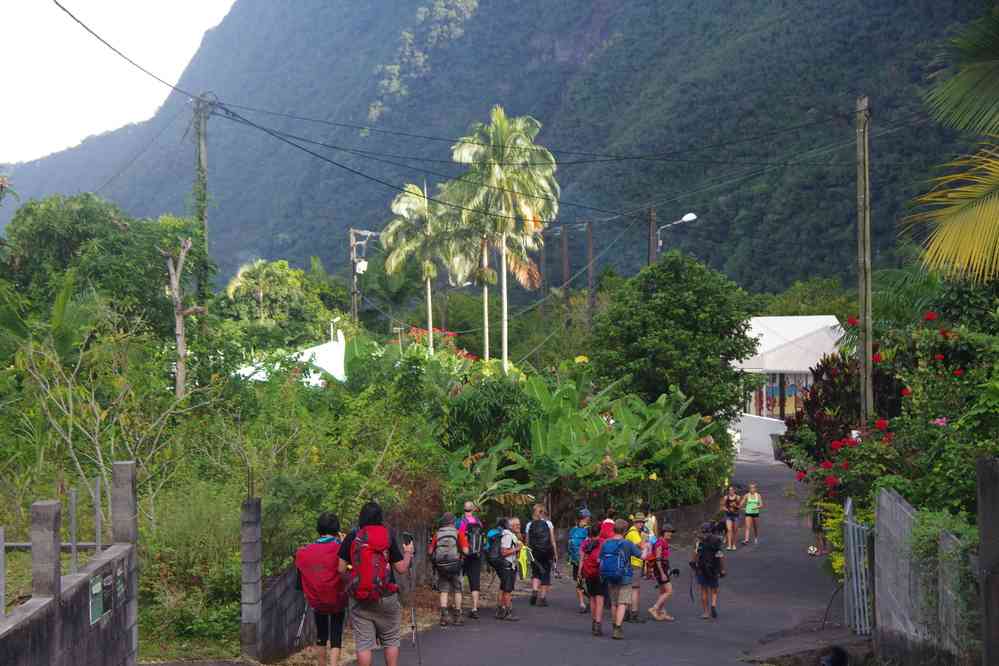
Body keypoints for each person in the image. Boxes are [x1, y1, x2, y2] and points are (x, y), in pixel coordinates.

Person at [337, 501, 414, 666]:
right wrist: (408, 553)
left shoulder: (353, 536)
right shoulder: (388, 535)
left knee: (364, 643)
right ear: (380, 517)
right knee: (391, 639)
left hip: (360, 598)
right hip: (387, 595)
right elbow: (401, 568)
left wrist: (356, 571)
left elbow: (341, 569)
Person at [296, 512, 347, 666]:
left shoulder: (305, 551)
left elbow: (300, 576)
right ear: (337, 529)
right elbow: (347, 567)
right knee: (336, 634)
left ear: (318, 529)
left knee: (321, 635)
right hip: (337, 598)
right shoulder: (340, 547)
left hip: (317, 600)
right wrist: (344, 543)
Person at [599, 519, 644, 640]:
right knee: (622, 602)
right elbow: (642, 556)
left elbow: (600, 559)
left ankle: (614, 625)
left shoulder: (606, 543)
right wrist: (647, 548)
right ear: (625, 531)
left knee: (614, 603)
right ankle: (618, 628)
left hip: (610, 575)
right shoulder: (627, 543)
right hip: (625, 576)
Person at [429, 512, 469, 626]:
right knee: (457, 590)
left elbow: (430, 551)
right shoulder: (458, 533)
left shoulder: (437, 534)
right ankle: (457, 616)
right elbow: (466, 551)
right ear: (453, 522)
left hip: (441, 567)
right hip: (455, 565)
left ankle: (444, 617)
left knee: (444, 591)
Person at [690, 522, 726, 620]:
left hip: (701, 568)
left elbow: (695, 554)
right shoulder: (716, 540)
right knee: (714, 589)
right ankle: (713, 604)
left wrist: (693, 564)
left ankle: (706, 613)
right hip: (714, 568)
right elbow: (720, 555)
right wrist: (722, 569)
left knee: (704, 590)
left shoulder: (699, 541)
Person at [525, 504, 557, 607]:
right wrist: (555, 553)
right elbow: (552, 540)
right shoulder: (548, 523)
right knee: (545, 573)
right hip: (546, 553)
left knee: (535, 573)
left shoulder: (529, 524)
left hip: (534, 552)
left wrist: (527, 553)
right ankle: (542, 598)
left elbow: (527, 541)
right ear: (544, 512)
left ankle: (535, 590)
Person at [457, 501, 484, 619]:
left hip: (463, 554)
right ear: (473, 509)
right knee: (475, 582)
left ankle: (459, 609)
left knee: (459, 580)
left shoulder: (460, 522)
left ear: (464, 509)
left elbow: (458, 537)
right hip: (476, 555)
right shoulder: (478, 522)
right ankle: (474, 609)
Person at [579, 523, 606, 636]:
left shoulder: (585, 543)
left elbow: (581, 559)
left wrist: (579, 574)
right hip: (600, 574)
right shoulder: (603, 543)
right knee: (600, 599)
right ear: (600, 532)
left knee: (592, 598)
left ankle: (594, 622)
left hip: (588, 573)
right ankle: (598, 624)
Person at [648, 524, 675, 622]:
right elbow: (658, 559)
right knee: (669, 591)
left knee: (663, 592)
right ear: (664, 533)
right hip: (660, 569)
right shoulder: (660, 542)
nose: (671, 534)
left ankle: (662, 612)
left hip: (662, 568)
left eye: (671, 532)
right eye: (669, 532)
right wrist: (662, 573)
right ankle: (654, 608)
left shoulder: (663, 542)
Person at [624, 513, 648, 623]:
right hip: (634, 563)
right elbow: (642, 546)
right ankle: (634, 613)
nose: (641, 524)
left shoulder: (631, 532)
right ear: (635, 522)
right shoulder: (634, 533)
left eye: (642, 522)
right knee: (635, 589)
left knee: (629, 588)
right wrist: (645, 539)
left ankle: (627, 613)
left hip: (630, 563)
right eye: (640, 522)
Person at [568, 509, 592, 613]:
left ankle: (582, 603)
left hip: (576, 561)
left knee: (579, 582)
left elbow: (569, 546)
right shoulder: (588, 530)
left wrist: (570, 558)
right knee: (588, 582)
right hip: (585, 561)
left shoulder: (573, 530)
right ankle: (590, 600)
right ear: (586, 518)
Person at [499, 517, 523, 621]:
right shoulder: (507, 536)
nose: (518, 526)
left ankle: (501, 611)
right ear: (510, 526)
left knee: (504, 589)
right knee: (507, 590)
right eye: (516, 525)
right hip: (507, 565)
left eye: (519, 524)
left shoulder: (511, 535)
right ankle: (508, 612)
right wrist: (517, 548)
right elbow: (503, 552)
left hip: (509, 565)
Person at [721, 485, 741, 551]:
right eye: (729, 490)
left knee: (735, 530)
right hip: (728, 515)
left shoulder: (738, 497)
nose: (731, 491)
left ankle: (734, 544)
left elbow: (739, 507)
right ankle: (729, 545)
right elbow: (723, 506)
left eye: (732, 490)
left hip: (736, 515)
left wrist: (735, 506)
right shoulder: (726, 497)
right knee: (729, 530)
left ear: (734, 491)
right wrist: (726, 509)